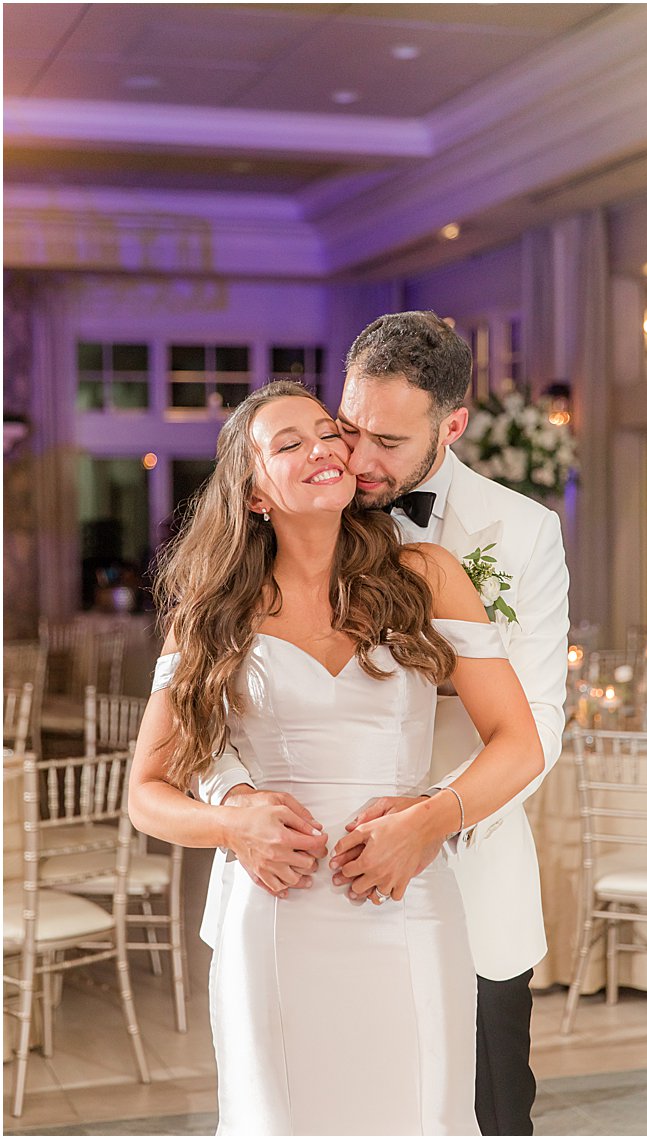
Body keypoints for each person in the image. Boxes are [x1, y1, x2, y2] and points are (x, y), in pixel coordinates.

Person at [128, 381, 545, 1134]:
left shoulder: (427, 576)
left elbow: (520, 742)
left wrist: (427, 821)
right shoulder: (211, 607)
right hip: (275, 918)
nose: (322, 447)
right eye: (289, 443)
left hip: (408, 903)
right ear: (254, 493)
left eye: (328, 432)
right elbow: (147, 792)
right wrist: (233, 827)